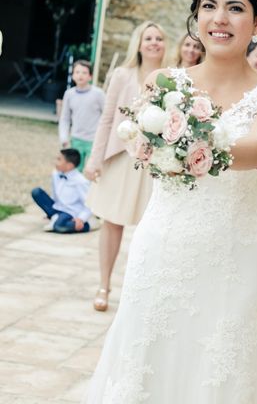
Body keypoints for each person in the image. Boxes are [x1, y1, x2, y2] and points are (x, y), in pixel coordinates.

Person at [85, 0, 257, 403]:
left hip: (234, 255)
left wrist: (190, 141)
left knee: (219, 371)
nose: (220, 18)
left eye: (235, 8)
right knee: (148, 359)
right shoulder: (162, 84)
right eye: (209, 6)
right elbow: (142, 148)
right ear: (196, 18)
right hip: (164, 244)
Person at [84, 20, 167, 312]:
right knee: (112, 222)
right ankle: (104, 286)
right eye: (149, 38)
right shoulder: (122, 75)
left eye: (159, 38)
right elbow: (107, 119)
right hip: (120, 158)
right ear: (139, 43)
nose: (154, 43)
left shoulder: (171, 77)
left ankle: (141, 294)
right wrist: (95, 160)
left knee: (152, 229)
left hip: (154, 163)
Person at [31, 149, 94, 233]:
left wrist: (81, 219)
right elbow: (54, 194)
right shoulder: (56, 173)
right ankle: (55, 217)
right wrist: (49, 211)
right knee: (36, 192)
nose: (55, 162)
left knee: (59, 226)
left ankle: (84, 225)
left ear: (69, 166)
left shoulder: (81, 181)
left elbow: (89, 203)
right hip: (57, 207)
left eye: (59, 160)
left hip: (70, 212)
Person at [58, 60, 105, 172]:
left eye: (84, 73)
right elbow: (65, 118)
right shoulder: (69, 94)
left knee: (91, 171)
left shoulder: (98, 94)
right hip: (76, 140)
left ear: (90, 76)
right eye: (77, 72)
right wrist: (64, 137)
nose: (80, 75)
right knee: (75, 171)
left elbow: (107, 116)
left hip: (93, 141)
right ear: (73, 75)